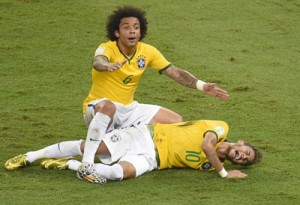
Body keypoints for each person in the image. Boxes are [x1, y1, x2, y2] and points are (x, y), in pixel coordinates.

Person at [79, 6, 230, 182]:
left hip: (128, 108)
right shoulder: (106, 48)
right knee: (108, 106)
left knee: (175, 121)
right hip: (99, 107)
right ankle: (87, 164)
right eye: (126, 27)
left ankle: (137, 146)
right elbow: (98, 61)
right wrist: (108, 66)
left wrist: (201, 85)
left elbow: (174, 72)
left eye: (136, 27)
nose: (132, 31)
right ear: (117, 32)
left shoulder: (147, 51)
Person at [5, 120, 262, 184]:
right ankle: (32, 155)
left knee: (120, 174)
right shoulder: (220, 129)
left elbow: (209, 158)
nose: (241, 155)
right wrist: (225, 174)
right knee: (94, 147)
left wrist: (221, 169)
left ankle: (67, 164)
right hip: (144, 135)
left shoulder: (209, 165)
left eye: (244, 159)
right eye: (244, 151)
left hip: (152, 159)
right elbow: (207, 146)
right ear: (239, 142)